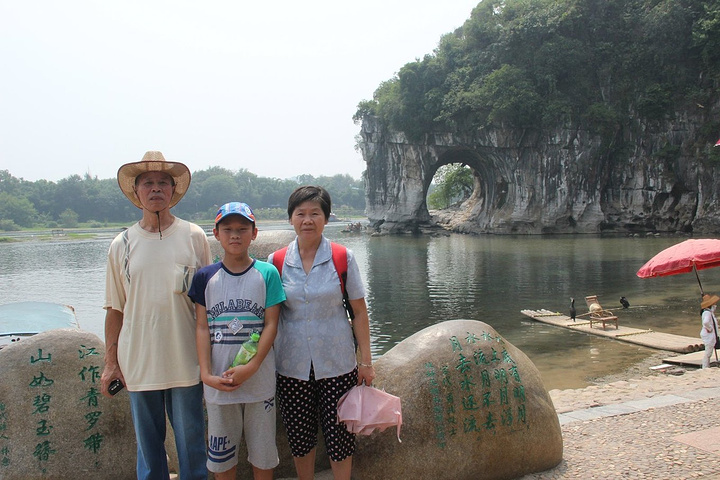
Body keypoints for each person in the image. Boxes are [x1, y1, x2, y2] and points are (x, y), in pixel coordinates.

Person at [100, 151, 211, 480]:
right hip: (138, 360)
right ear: (136, 193)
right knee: (149, 449)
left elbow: (208, 303)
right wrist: (110, 362)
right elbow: (114, 309)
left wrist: (211, 357)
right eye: (147, 183)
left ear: (173, 191)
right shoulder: (121, 244)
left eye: (163, 182)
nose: (156, 189)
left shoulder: (194, 236)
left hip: (185, 358)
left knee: (192, 443)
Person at [268, 185, 375, 480]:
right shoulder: (275, 261)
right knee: (300, 438)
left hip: (337, 363)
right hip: (291, 366)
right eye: (300, 213)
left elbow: (360, 312)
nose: (307, 220)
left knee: (340, 437)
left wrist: (366, 362)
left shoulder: (343, 257)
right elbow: (270, 318)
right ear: (290, 219)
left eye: (315, 213)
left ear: (326, 219)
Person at [188, 202, 285, 480]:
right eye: (227, 229)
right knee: (221, 458)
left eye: (242, 229)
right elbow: (202, 328)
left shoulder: (267, 273)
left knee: (263, 455)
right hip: (219, 383)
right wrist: (206, 374)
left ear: (254, 233)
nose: (235, 235)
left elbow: (271, 324)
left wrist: (252, 367)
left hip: (260, 381)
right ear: (216, 233)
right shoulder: (205, 277)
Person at [700, 293, 720, 369]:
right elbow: (705, 322)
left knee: (709, 351)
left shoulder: (709, 313)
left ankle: (706, 366)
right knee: (708, 352)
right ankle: (705, 366)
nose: (715, 306)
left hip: (711, 335)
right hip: (708, 335)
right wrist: (710, 328)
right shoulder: (707, 313)